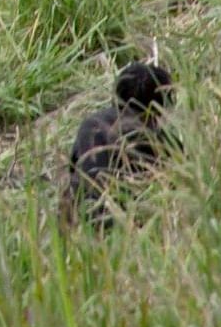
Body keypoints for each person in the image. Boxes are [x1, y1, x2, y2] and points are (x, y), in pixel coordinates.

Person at [61, 59, 173, 227]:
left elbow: (73, 176)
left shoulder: (91, 124)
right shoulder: (159, 140)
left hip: (85, 221)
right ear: (160, 106)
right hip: (128, 225)